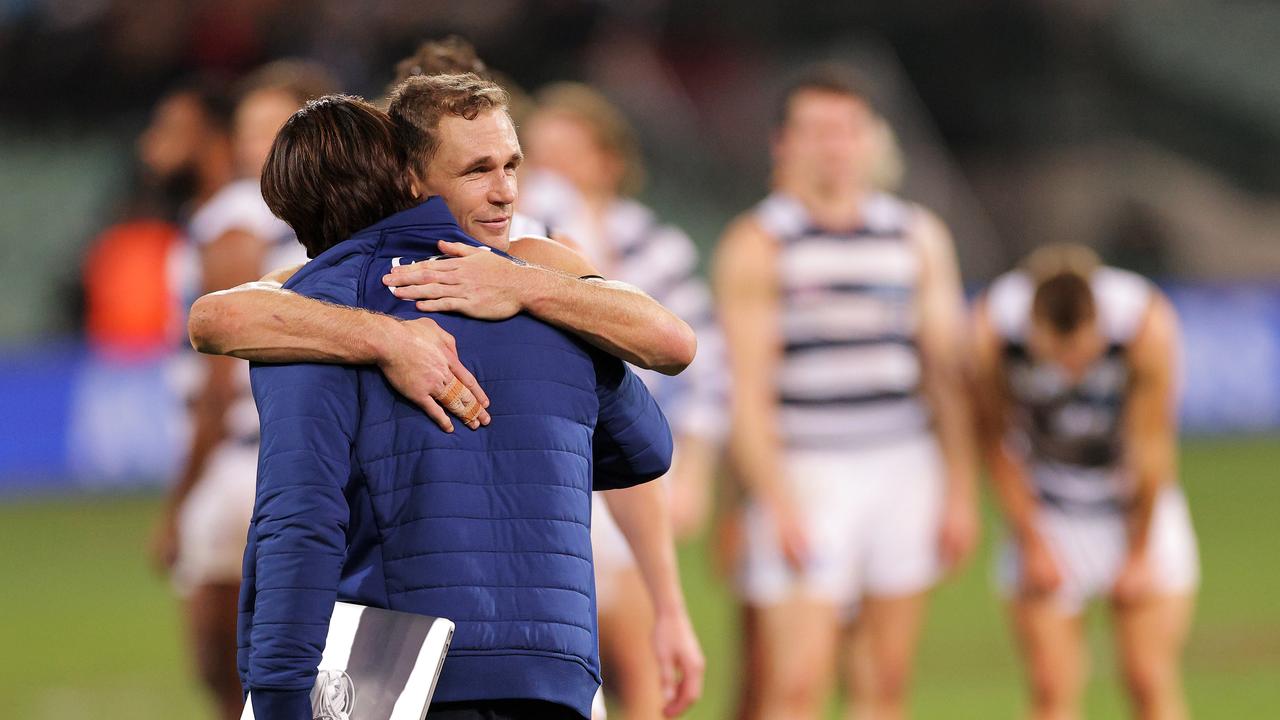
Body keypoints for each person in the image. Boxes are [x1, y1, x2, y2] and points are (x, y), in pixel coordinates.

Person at [189, 62, 706, 716]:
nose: (505, 192)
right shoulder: (539, 287)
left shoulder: (534, 272)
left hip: (392, 669)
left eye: (512, 166)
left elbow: (675, 344)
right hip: (554, 669)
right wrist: (392, 340)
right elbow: (645, 445)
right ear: (405, 175)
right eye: (477, 170)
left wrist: (521, 286)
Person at [712, 64, 979, 720]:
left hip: (901, 466)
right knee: (792, 686)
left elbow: (944, 377)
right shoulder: (760, 242)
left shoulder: (916, 236)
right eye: (818, 131)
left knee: (883, 682)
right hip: (808, 468)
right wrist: (775, 499)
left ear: (870, 139)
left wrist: (961, 490)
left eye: (848, 130)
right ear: (784, 144)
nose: (835, 145)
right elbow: (746, 392)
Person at [519, 81, 727, 719]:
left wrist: (691, 473)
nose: (551, 166)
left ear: (608, 159)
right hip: (549, 469)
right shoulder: (516, 241)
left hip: (623, 466)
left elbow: (704, 367)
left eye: (568, 150)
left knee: (634, 660)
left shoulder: (654, 247)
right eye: (541, 151)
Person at [143, 65, 339, 720]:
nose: (258, 143)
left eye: (272, 128)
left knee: (228, 670)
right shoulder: (336, 220)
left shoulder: (231, 216)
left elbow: (220, 375)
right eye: (250, 128)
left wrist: (179, 499)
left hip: (241, 466)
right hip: (313, 459)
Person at [972, 244, 1198, 720]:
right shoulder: (992, 328)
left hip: (1131, 506)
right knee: (1051, 686)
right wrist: (1032, 541)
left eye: (1079, 356)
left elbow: (1151, 445)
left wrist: (1138, 554)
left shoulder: (1144, 324)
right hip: (1048, 503)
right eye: (1055, 356)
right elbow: (994, 440)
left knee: (1148, 678)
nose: (1068, 371)